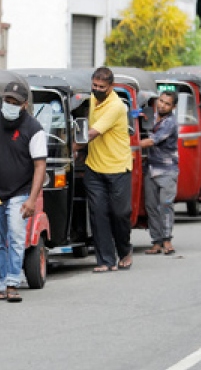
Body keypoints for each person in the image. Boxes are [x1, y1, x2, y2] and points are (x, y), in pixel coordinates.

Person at [0, 82, 47, 302]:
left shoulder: (34, 128)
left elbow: (40, 165)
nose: (9, 106)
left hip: (20, 191)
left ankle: (12, 283)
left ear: (24, 105)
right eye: (7, 101)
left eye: (14, 103)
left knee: (16, 237)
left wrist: (32, 199)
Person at [76, 67, 133, 272]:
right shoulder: (91, 99)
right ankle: (105, 260)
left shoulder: (116, 106)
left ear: (111, 87)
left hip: (117, 167)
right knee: (98, 214)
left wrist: (72, 146)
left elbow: (91, 133)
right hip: (94, 167)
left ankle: (125, 250)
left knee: (120, 213)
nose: (97, 89)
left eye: (101, 87)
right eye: (94, 86)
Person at [139, 90, 179, 255]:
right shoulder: (150, 116)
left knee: (165, 205)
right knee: (151, 207)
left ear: (173, 107)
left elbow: (152, 141)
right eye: (161, 101)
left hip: (167, 170)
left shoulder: (170, 123)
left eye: (167, 103)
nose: (162, 105)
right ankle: (156, 241)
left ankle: (167, 240)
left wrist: (127, 145)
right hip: (150, 168)